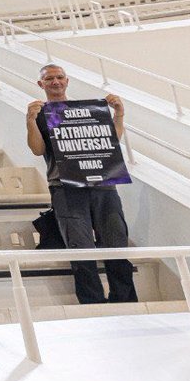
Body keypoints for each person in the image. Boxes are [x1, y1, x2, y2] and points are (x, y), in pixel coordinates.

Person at [26, 64, 137, 304]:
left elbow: (111, 142)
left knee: (116, 244)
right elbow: (37, 150)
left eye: (59, 77)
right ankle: (93, 303)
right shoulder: (41, 113)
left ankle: (125, 300)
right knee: (81, 248)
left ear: (67, 81)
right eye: (49, 79)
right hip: (66, 189)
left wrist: (118, 114)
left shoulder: (89, 110)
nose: (55, 82)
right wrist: (31, 121)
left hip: (103, 185)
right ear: (41, 84)